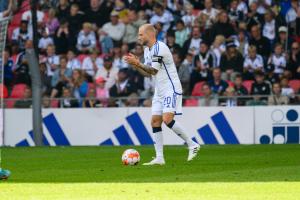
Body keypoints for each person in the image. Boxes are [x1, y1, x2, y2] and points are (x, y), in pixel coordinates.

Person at [124, 24, 200, 165]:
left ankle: (192, 144)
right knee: (155, 121)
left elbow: (153, 70)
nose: (138, 37)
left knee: (167, 119)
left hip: (171, 88)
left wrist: (138, 63)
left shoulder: (160, 48)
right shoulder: (147, 50)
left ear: (149, 34)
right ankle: (160, 158)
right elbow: (147, 74)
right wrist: (136, 65)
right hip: (159, 90)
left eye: (141, 34)